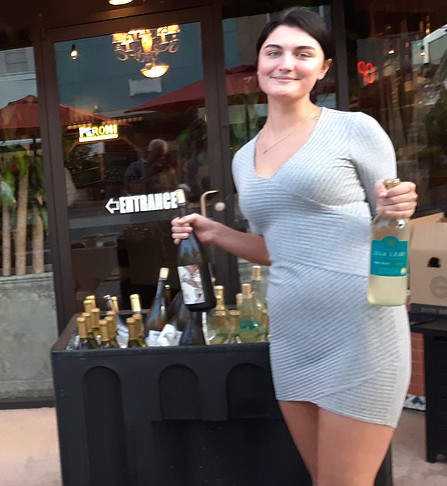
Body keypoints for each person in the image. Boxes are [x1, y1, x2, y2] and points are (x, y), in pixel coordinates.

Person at [170, 8, 418, 485]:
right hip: (293, 336)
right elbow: (276, 248)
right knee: (321, 476)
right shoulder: (245, 158)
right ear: (258, 66)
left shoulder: (355, 129)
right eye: (274, 52)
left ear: (323, 68)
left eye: (303, 53)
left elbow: (390, 224)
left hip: (360, 331)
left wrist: (400, 208)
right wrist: (214, 232)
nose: (286, 63)